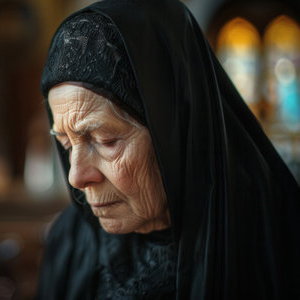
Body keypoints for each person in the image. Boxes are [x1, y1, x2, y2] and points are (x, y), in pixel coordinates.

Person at [36, 0, 300, 299]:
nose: (76, 177)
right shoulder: (71, 242)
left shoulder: (275, 239)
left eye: (106, 141)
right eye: (66, 143)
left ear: (177, 129)